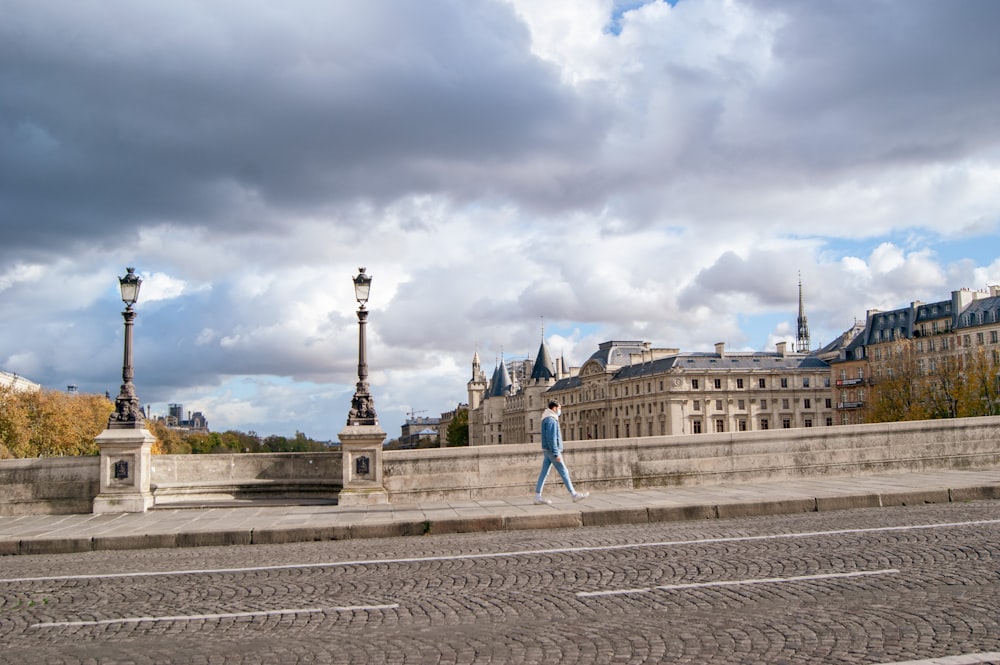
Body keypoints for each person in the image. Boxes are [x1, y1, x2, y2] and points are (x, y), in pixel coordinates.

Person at [534, 400, 589, 504]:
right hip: (552, 451)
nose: (560, 411)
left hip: (547, 450)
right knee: (564, 471)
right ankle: (574, 494)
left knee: (544, 473)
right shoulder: (551, 419)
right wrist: (556, 453)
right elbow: (552, 438)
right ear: (554, 408)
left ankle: (537, 496)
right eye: (559, 408)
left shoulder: (545, 418)